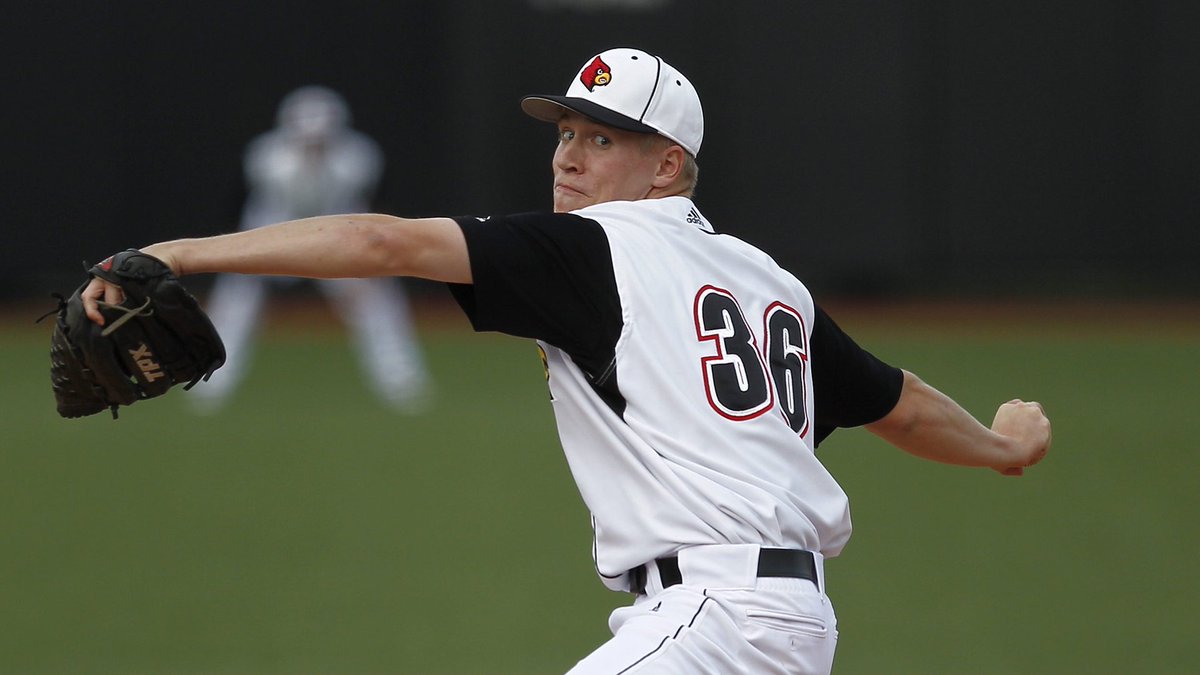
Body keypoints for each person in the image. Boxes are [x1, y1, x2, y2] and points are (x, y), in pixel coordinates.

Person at [83, 48, 1051, 674]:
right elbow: (896, 402)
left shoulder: (595, 249)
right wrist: (1002, 445)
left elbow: (381, 242)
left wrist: (178, 254)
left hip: (717, 623)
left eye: (602, 138)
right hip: (781, 625)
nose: (568, 158)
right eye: (565, 135)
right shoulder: (770, 283)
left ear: (667, 167)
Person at [190, 85, 431, 414]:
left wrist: (368, 253)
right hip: (272, 234)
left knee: (375, 300)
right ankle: (213, 379)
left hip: (337, 234)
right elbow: (246, 206)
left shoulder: (358, 158)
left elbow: (368, 205)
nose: (314, 146)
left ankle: (399, 378)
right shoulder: (267, 158)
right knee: (236, 304)